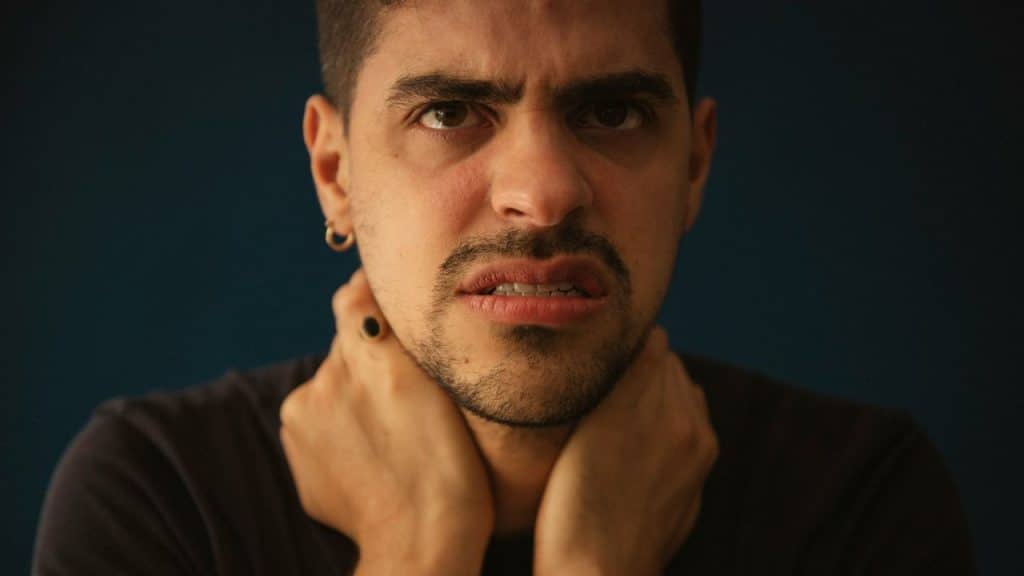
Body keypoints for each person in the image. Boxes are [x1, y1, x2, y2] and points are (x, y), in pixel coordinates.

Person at [33, 1, 974, 574]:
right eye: (449, 112)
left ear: (694, 164)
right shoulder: (160, 499)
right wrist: (417, 555)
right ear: (335, 173)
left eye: (610, 111)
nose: (544, 192)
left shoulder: (858, 503)